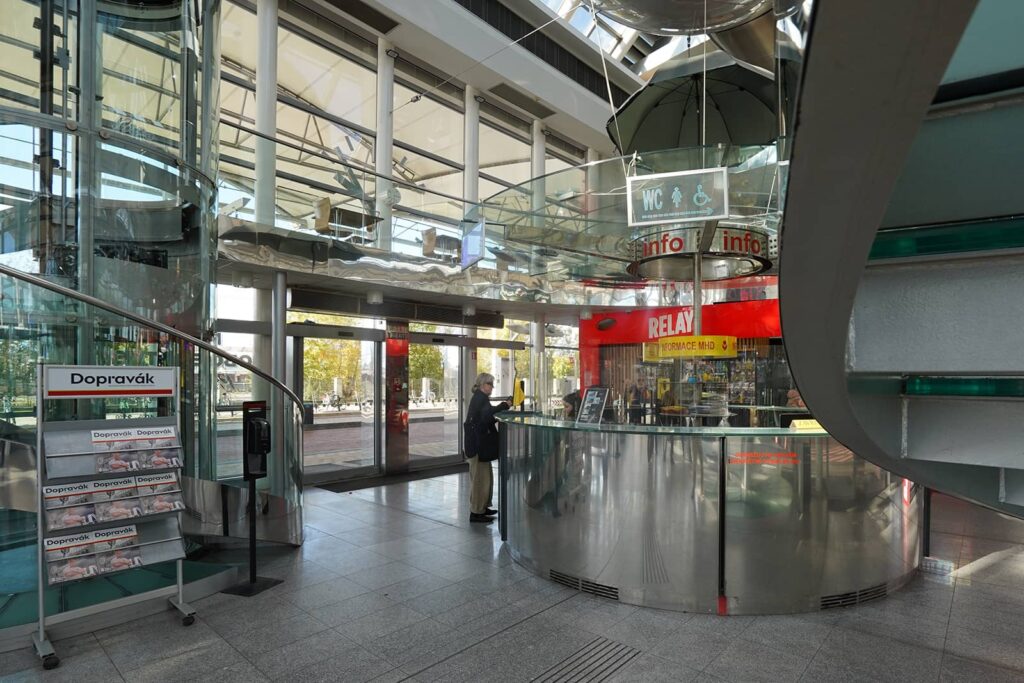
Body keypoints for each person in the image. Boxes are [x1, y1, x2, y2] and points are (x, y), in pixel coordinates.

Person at [464, 372, 509, 523]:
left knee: (486, 477)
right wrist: (504, 405)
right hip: (477, 446)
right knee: (479, 480)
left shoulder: (481, 397)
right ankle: (476, 512)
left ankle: (483, 507)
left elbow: (486, 416)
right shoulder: (480, 398)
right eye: (490, 384)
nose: (492, 387)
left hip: (480, 446)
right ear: (483, 385)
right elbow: (486, 417)